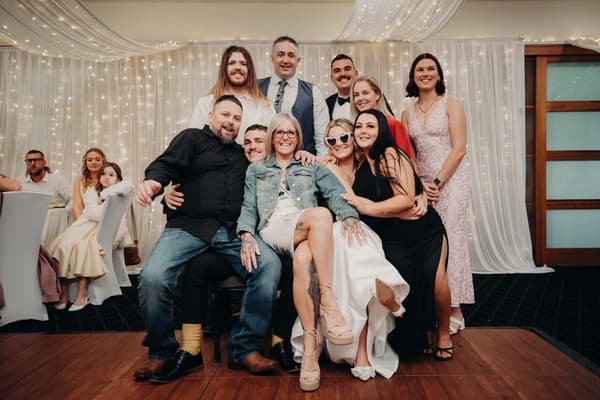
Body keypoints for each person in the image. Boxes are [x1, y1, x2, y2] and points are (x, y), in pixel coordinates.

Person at [134, 95, 282, 382]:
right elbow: (166, 165)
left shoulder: (243, 154)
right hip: (187, 228)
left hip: (231, 231)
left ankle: (243, 346)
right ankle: (161, 352)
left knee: (270, 266)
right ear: (212, 116)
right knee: (153, 277)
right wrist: (156, 185)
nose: (231, 122)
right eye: (225, 115)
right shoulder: (191, 139)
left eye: (237, 118)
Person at [154, 124, 316, 383]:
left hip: (272, 242)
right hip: (233, 241)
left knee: (287, 268)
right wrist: (169, 192)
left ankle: (277, 340)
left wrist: (307, 155)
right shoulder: (234, 161)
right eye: (248, 141)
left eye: (259, 141)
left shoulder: (281, 168)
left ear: (271, 144)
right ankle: (191, 348)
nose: (252, 146)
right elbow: (198, 183)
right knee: (196, 267)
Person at [236, 112, 365, 391]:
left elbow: (334, 193)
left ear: (298, 139)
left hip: (303, 229)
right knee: (320, 215)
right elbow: (248, 207)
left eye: (290, 133)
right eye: (279, 132)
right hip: (274, 228)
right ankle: (328, 303)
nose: (285, 137)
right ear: (272, 137)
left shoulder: (311, 164)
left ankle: (309, 350)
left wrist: (349, 215)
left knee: (305, 257)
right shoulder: (256, 169)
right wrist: (246, 233)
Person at [289, 118, 411, 382]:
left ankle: (363, 350)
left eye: (344, 137)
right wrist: (322, 163)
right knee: (355, 262)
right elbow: (342, 200)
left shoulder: (368, 162)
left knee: (359, 253)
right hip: (334, 229)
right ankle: (386, 293)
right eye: (331, 141)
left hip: (366, 228)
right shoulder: (323, 166)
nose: (338, 144)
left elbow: (398, 187)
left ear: (353, 137)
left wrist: (421, 194)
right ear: (326, 145)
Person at [342, 109, 454, 361]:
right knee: (406, 286)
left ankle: (444, 333)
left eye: (370, 126)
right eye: (359, 126)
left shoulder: (390, 155)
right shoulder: (360, 163)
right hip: (392, 238)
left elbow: (405, 199)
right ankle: (423, 333)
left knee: (435, 282)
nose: (363, 131)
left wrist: (367, 206)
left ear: (381, 130)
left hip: (423, 231)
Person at [402, 53, 473, 335]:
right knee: (431, 241)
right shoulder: (407, 111)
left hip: (452, 180)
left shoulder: (451, 104)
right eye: (420, 69)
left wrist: (439, 181)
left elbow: (459, 148)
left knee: (451, 238)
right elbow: (410, 152)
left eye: (431, 69)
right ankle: (435, 305)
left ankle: (455, 307)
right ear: (413, 76)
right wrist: (421, 183)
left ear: (439, 75)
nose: (426, 73)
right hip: (423, 183)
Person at [49, 159, 132, 312]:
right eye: (104, 174)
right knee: (60, 245)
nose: (106, 177)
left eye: (111, 175)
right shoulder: (92, 191)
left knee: (83, 246)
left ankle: (82, 292)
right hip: (87, 224)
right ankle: (65, 292)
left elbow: (129, 186)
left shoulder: (118, 192)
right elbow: (93, 213)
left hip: (104, 229)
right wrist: (102, 201)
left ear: (118, 179)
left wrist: (106, 194)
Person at [188, 45, 275, 145]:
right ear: (224, 69)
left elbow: (273, 143)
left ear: (249, 70)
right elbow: (193, 140)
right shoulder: (206, 103)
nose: (237, 67)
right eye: (232, 63)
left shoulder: (265, 106)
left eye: (243, 63)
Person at [258, 36, 329, 156]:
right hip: (263, 163)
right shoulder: (255, 88)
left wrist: (321, 166)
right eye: (280, 54)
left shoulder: (313, 92)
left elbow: (322, 138)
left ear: (298, 60)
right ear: (272, 58)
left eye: (291, 55)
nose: (285, 60)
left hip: (302, 166)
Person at [351, 75, 414, 159]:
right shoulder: (357, 129)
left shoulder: (393, 124)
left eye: (365, 93)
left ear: (377, 95)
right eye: (356, 95)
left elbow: (406, 161)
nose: (360, 98)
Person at [20, 149, 72, 247]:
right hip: (31, 228)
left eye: (36, 160)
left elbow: (73, 199)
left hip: (54, 227)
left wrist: (64, 214)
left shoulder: (58, 180)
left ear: (44, 162)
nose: (32, 163)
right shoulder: (22, 183)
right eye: (29, 161)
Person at [325, 54, 359, 120]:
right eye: (337, 71)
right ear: (332, 78)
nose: (343, 74)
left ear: (356, 74)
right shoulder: (326, 105)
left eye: (347, 69)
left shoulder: (369, 99)